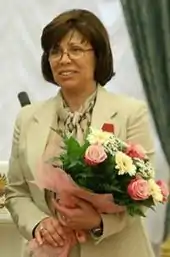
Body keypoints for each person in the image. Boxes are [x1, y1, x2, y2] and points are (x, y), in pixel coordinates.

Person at [5, 9, 155, 257]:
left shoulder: (130, 113)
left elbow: (143, 192)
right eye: (55, 51)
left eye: (76, 50)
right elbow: (17, 191)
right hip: (47, 250)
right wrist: (38, 223)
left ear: (98, 56)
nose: (64, 59)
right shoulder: (28, 118)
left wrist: (98, 221)